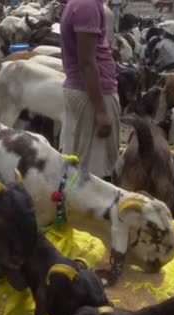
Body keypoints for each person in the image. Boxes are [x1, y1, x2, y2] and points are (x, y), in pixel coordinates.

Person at [59, 0, 120, 180]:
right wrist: (101, 111)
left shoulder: (84, 4)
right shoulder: (87, 5)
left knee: (78, 164)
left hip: (86, 90)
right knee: (96, 172)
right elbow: (86, 62)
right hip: (92, 95)